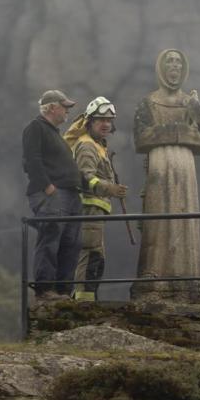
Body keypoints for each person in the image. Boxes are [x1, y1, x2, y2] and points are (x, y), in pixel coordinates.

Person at [130, 49, 200, 304]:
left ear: (184, 69)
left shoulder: (191, 102)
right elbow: (141, 137)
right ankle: (154, 276)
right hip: (159, 167)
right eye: (169, 61)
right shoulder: (147, 103)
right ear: (160, 68)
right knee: (157, 218)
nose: (174, 66)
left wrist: (174, 133)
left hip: (186, 169)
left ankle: (188, 276)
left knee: (185, 216)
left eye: (179, 62)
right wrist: (179, 132)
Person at [63, 97, 128, 301]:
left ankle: (86, 299)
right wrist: (110, 188)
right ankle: (83, 303)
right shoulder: (87, 146)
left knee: (97, 258)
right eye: (101, 119)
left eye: (109, 120)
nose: (106, 124)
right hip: (88, 209)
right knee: (90, 255)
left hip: (96, 211)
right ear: (90, 122)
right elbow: (85, 177)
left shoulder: (98, 145)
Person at [23, 89, 84, 301]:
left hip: (70, 196)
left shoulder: (55, 133)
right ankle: (45, 289)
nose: (67, 110)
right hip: (53, 195)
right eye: (64, 106)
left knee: (71, 243)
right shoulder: (35, 128)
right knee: (50, 239)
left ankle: (63, 291)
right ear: (51, 107)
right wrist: (48, 187)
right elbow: (32, 160)